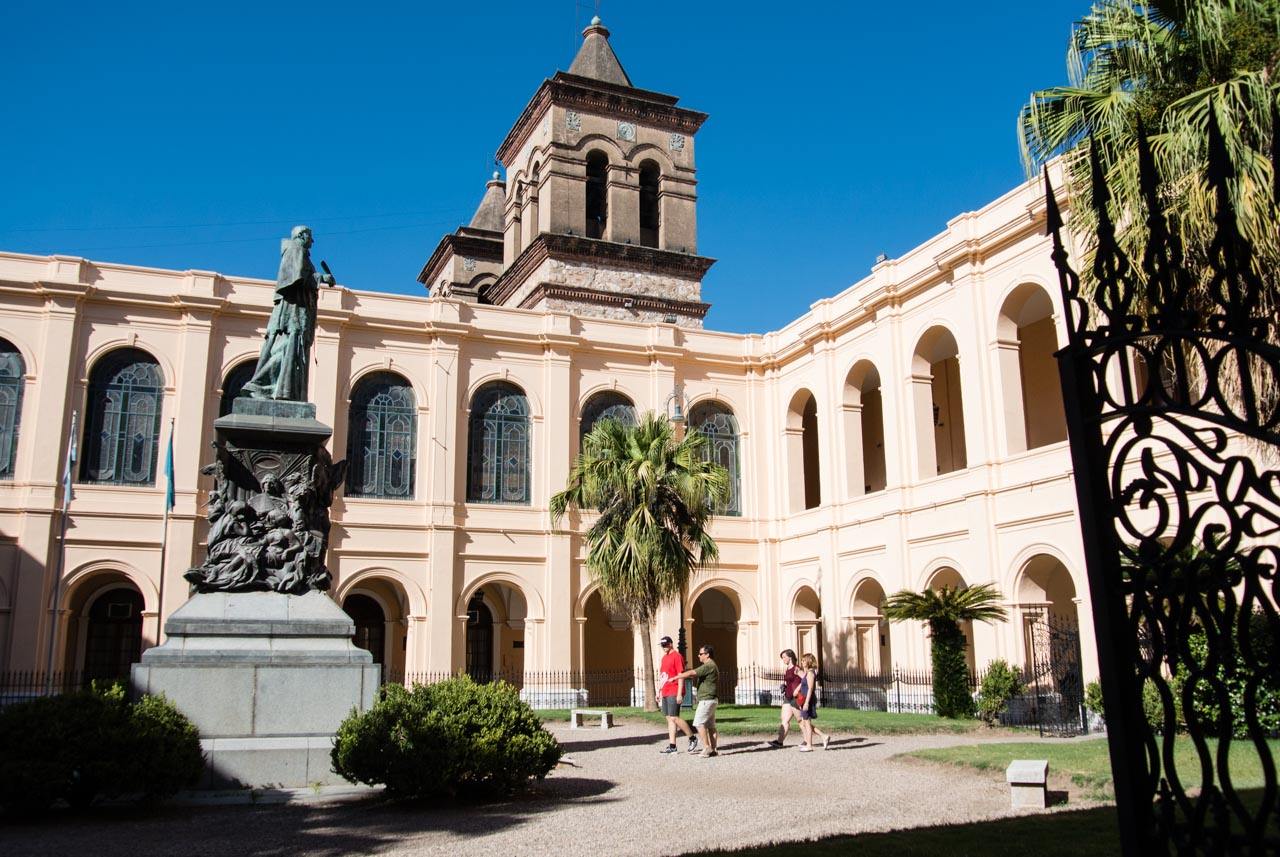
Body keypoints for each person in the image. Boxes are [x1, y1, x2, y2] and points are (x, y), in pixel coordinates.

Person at [241, 225, 334, 401]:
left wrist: (318, 278)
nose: (312, 241)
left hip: (295, 310)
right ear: (301, 235)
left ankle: (272, 387)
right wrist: (321, 278)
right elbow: (296, 278)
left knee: (288, 350)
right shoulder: (296, 250)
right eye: (310, 236)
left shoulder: (297, 252)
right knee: (286, 349)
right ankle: (259, 384)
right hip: (293, 311)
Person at [671, 644, 719, 757]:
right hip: (711, 699)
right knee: (711, 726)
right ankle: (714, 749)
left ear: (707, 655)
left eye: (701, 654)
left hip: (707, 699)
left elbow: (692, 673)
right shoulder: (711, 666)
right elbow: (694, 673)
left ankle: (707, 748)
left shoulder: (709, 665)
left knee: (698, 723)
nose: (698, 656)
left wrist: (677, 677)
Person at [656, 635, 698, 754]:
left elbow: (681, 675)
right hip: (666, 690)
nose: (664, 647)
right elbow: (663, 675)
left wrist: (679, 693)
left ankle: (692, 738)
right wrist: (659, 690)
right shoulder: (664, 658)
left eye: (665, 645)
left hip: (674, 690)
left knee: (674, 717)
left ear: (671, 644)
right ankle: (672, 745)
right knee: (669, 718)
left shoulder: (677, 656)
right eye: (662, 646)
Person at [796, 652, 831, 752]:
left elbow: (810, 688)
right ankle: (823, 736)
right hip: (804, 699)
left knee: (807, 722)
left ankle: (809, 745)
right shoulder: (807, 672)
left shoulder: (811, 673)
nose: (802, 662)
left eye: (803, 660)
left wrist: (806, 702)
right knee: (805, 722)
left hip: (808, 699)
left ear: (808, 661)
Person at [767, 649, 801, 748]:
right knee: (784, 720)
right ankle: (779, 741)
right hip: (788, 696)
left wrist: (797, 689)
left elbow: (804, 680)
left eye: (784, 657)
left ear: (790, 657)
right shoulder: (788, 669)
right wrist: (784, 686)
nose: (783, 659)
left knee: (801, 721)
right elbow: (790, 682)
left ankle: (820, 736)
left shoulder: (796, 668)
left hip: (795, 697)